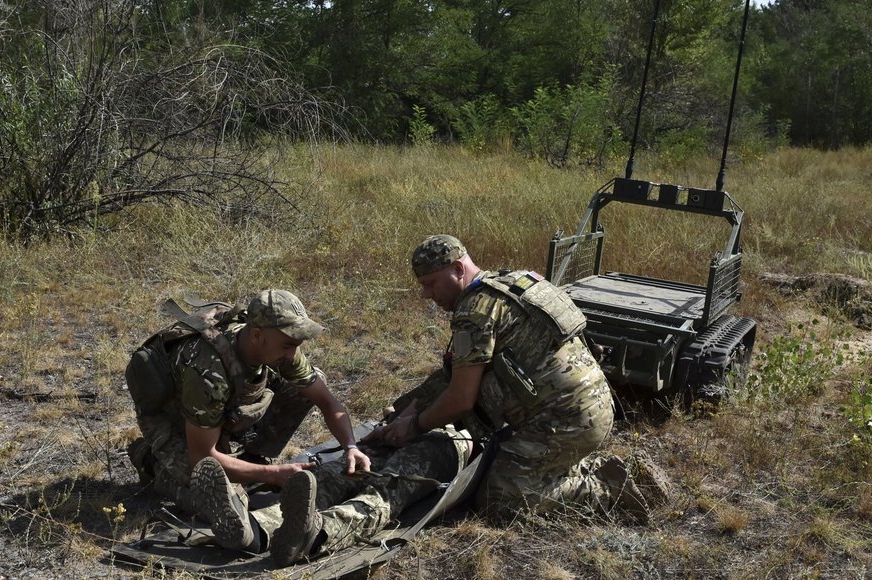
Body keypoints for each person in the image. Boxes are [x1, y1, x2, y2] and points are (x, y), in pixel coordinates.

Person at [370, 235, 670, 522]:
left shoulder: (475, 312)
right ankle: (574, 467)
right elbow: (453, 374)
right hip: (596, 406)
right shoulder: (513, 283)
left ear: (458, 269)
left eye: (430, 283)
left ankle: (611, 490)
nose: (426, 294)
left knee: (500, 498)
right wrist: (407, 408)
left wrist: (415, 425)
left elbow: (461, 399)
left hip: (564, 421)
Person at [124, 289, 371, 553]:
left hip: (213, 414)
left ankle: (253, 459)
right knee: (211, 493)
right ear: (256, 335)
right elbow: (202, 457)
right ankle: (150, 461)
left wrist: (350, 447)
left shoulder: (277, 345)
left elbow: (328, 401)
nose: (292, 354)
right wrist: (274, 475)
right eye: (288, 345)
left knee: (308, 383)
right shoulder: (209, 375)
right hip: (171, 421)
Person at [269, 425, 472, 567]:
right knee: (335, 476)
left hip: (447, 442)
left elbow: (461, 403)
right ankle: (259, 529)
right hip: (394, 436)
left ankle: (314, 536)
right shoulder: (449, 369)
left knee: (384, 492)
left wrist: (413, 423)